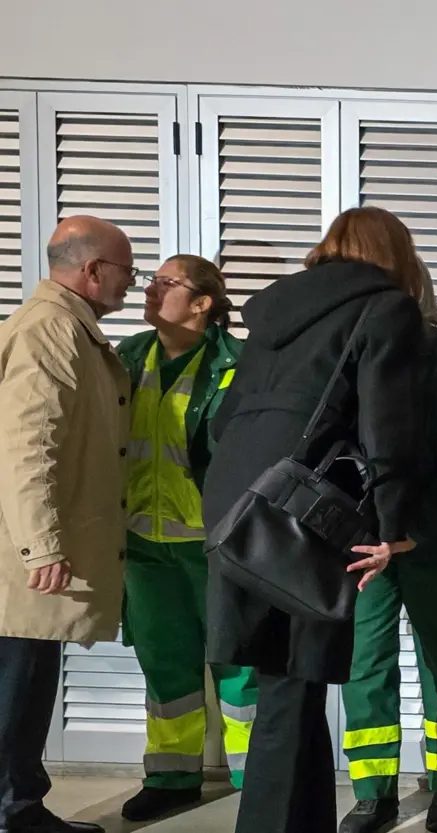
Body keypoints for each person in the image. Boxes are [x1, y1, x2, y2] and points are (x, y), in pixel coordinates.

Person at [203, 206, 430, 833]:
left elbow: (225, 419)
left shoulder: (274, 311)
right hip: (302, 511)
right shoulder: (387, 308)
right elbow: (390, 427)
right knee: (289, 693)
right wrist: (392, 528)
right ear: (395, 255)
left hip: (236, 508)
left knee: (289, 682)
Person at [338, 259, 437, 833]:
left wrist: (410, 534)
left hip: (436, 543)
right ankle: (373, 795)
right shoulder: (344, 357)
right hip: (360, 545)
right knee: (364, 666)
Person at [0, 216, 136, 833]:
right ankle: (13, 812)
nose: (131, 286)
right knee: (15, 689)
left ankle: (21, 804)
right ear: (93, 271)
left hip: (38, 552)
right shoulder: (53, 329)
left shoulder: (68, 330)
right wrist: (41, 547)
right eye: (127, 273)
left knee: (27, 688)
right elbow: (28, 446)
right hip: (27, 559)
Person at [116, 255, 254, 822]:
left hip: (217, 544)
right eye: (151, 280)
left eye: (166, 284)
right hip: (144, 546)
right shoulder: (125, 358)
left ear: (202, 304)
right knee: (165, 664)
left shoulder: (237, 364)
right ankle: (172, 778)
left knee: (239, 662)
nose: (149, 290)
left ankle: (258, 778)